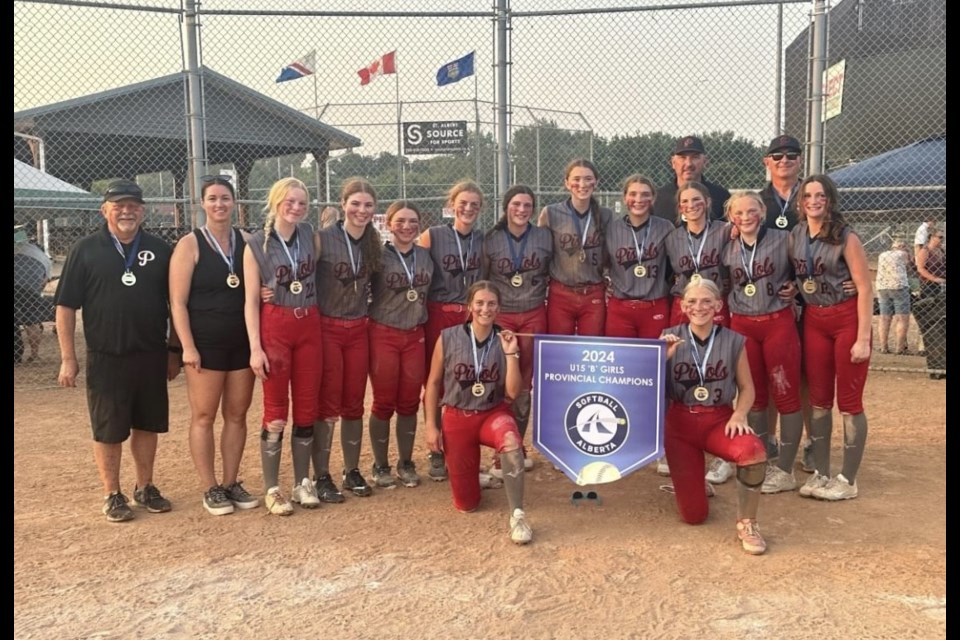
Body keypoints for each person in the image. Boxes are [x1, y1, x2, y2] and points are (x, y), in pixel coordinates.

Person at [55, 179, 180, 522]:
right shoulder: (85, 249)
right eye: (118, 205)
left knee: (147, 424)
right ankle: (113, 493)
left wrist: (174, 350)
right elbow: (65, 307)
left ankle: (145, 486)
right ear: (104, 210)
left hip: (150, 353)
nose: (126, 211)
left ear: (143, 210)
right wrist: (69, 358)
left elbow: (177, 303)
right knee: (108, 428)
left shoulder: (160, 249)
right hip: (107, 355)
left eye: (133, 206)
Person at [169, 175, 258, 516]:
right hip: (205, 345)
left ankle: (231, 481)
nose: (219, 204)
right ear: (202, 204)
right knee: (204, 416)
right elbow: (177, 302)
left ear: (234, 202)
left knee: (237, 415)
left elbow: (256, 290)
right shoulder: (190, 244)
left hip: (240, 342)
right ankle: (210, 486)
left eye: (225, 198)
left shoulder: (247, 241)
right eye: (212, 198)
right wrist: (187, 347)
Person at [660, 279, 768, 555]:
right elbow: (649, 388)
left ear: (719, 305)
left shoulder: (733, 340)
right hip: (680, 425)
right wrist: (663, 358)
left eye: (707, 301)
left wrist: (740, 415)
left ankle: (748, 522)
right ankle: (696, 482)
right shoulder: (668, 336)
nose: (700, 307)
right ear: (683, 306)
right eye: (692, 302)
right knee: (693, 516)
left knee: (753, 452)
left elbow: (747, 388)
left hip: (719, 421)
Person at [423, 280, 533, 545]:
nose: (486, 309)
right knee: (467, 504)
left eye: (492, 303)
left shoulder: (504, 339)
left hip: (491, 413)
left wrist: (511, 355)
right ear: (470, 306)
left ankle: (517, 514)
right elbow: (434, 383)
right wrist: (430, 426)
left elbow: (514, 391)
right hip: (457, 417)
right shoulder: (448, 337)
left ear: (499, 307)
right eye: (480, 303)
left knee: (511, 440)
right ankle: (473, 477)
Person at [789, 175, 872, 501]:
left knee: (849, 403)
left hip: (845, 318)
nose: (813, 200)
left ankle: (848, 479)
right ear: (800, 202)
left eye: (820, 195)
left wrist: (863, 337)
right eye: (807, 195)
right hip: (814, 319)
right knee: (819, 400)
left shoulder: (845, 236)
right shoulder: (795, 235)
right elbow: (794, 274)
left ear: (830, 200)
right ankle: (822, 473)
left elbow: (864, 287)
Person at [243, 177, 323, 515]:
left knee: (307, 406)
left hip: (309, 322)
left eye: (302, 203)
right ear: (275, 202)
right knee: (276, 410)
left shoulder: (310, 236)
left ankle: (302, 480)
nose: (296, 208)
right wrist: (255, 348)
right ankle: (273, 488)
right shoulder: (256, 244)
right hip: (275, 325)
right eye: (290, 201)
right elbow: (249, 301)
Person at [721, 191, 805, 495]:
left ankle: (785, 470)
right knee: (753, 396)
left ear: (762, 212)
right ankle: (759, 459)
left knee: (785, 395)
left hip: (776, 321)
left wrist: (796, 284)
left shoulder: (785, 239)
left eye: (751, 211)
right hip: (742, 323)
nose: (745, 217)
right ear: (730, 216)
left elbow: (805, 269)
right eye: (738, 212)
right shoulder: (726, 244)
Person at [311, 178, 383, 499]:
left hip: (358, 327)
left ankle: (351, 470)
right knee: (328, 402)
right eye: (355, 203)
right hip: (327, 326)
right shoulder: (323, 239)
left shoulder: (374, 241)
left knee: (354, 401)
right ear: (342, 205)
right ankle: (321, 475)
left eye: (368, 205)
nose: (361, 210)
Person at [482, 185, 553, 474]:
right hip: (504, 315)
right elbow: (484, 280)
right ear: (505, 207)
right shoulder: (491, 239)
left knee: (524, 383)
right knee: (500, 380)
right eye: (516, 204)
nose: (522, 210)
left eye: (527, 205)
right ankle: (501, 448)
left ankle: (517, 444)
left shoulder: (543, 238)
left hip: (534, 312)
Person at [419, 180, 486, 481]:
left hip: (471, 317)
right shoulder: (433, 235)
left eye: (474, 204)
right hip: (439, 313)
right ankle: (436, 451)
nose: (468, 208)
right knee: (434, 382)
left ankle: (462, 449)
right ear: (452, 204)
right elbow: (412, 271)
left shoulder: (485, 239)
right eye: (463, 203)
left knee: (466, 382)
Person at [367, 200, 434, 488]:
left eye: (413, 222)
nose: (407, 227)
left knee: (408, 401)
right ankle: (380, 464)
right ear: (388, 223)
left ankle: (406, 462)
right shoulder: (377, 255)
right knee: (383, 401)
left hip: (414, 332)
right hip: (384, 331)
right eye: (400, 221)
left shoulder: (426, 255)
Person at [537, 158, 612, 336]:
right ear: (567, 183)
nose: (582, 184)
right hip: (561, 291)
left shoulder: (606, 215)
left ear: (596, 182)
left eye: (588, 178)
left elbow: (611, 255)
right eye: (576, 179)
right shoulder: (551, 213)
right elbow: (541, 253)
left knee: (591, 346)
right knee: (559, 347)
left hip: (593, 291)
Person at [603, 174, 674, 339]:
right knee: (620, 359)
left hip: (655, 305)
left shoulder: (665, 227)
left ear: (653, 198)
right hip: (620, 307)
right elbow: (600, 263)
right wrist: (604, 282)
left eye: (645, 194)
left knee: (653, 359)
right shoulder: (611, 229)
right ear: (625, 197)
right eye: (633, 194)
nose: (639, 199)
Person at [664, 181, 731, 327]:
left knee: (717, 347)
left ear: (707, 202)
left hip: (714, 301)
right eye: (685, 201)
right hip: (684, 302)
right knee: (681, 347)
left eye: (696, 199)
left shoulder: (725, 231)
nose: (691, 205)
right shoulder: (672, 238)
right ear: (680, 208)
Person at [652, 136, 731, 224]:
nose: (689, 164)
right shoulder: (658, 198)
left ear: (705, 162)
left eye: (695, 157)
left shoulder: (721, 196)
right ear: (673, 163)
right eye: (682, 158)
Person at [14, 235, 53, 363]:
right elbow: (43, 282)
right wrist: (34, 295)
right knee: (31, 322)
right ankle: (34, 355)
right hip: (29, 288)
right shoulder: (44, 258)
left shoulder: (18, 246)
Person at [874, 238, 913, 355]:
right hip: (899, 286)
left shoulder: (882, 255)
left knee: (884, 318)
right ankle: (899, 348)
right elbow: (908, 266)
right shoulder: (903, 254)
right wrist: (908, 253)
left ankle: (883, 347)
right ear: (902, 247)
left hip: (882, 287)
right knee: (902, 318)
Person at [760, 135, 803, 231]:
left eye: (791, 155)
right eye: (777, 156)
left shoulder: (813, 199)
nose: (784, 160)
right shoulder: (758, 201)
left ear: (801, 160)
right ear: (767, 162)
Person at [916, 229, 946, 299]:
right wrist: (935, 279)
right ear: (932, 237)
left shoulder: (942, 250)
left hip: (943, 281)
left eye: (943, 238)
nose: (942, 239)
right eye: (940, 237)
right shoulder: (925, 251)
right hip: (930, 284)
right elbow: (920, 268)